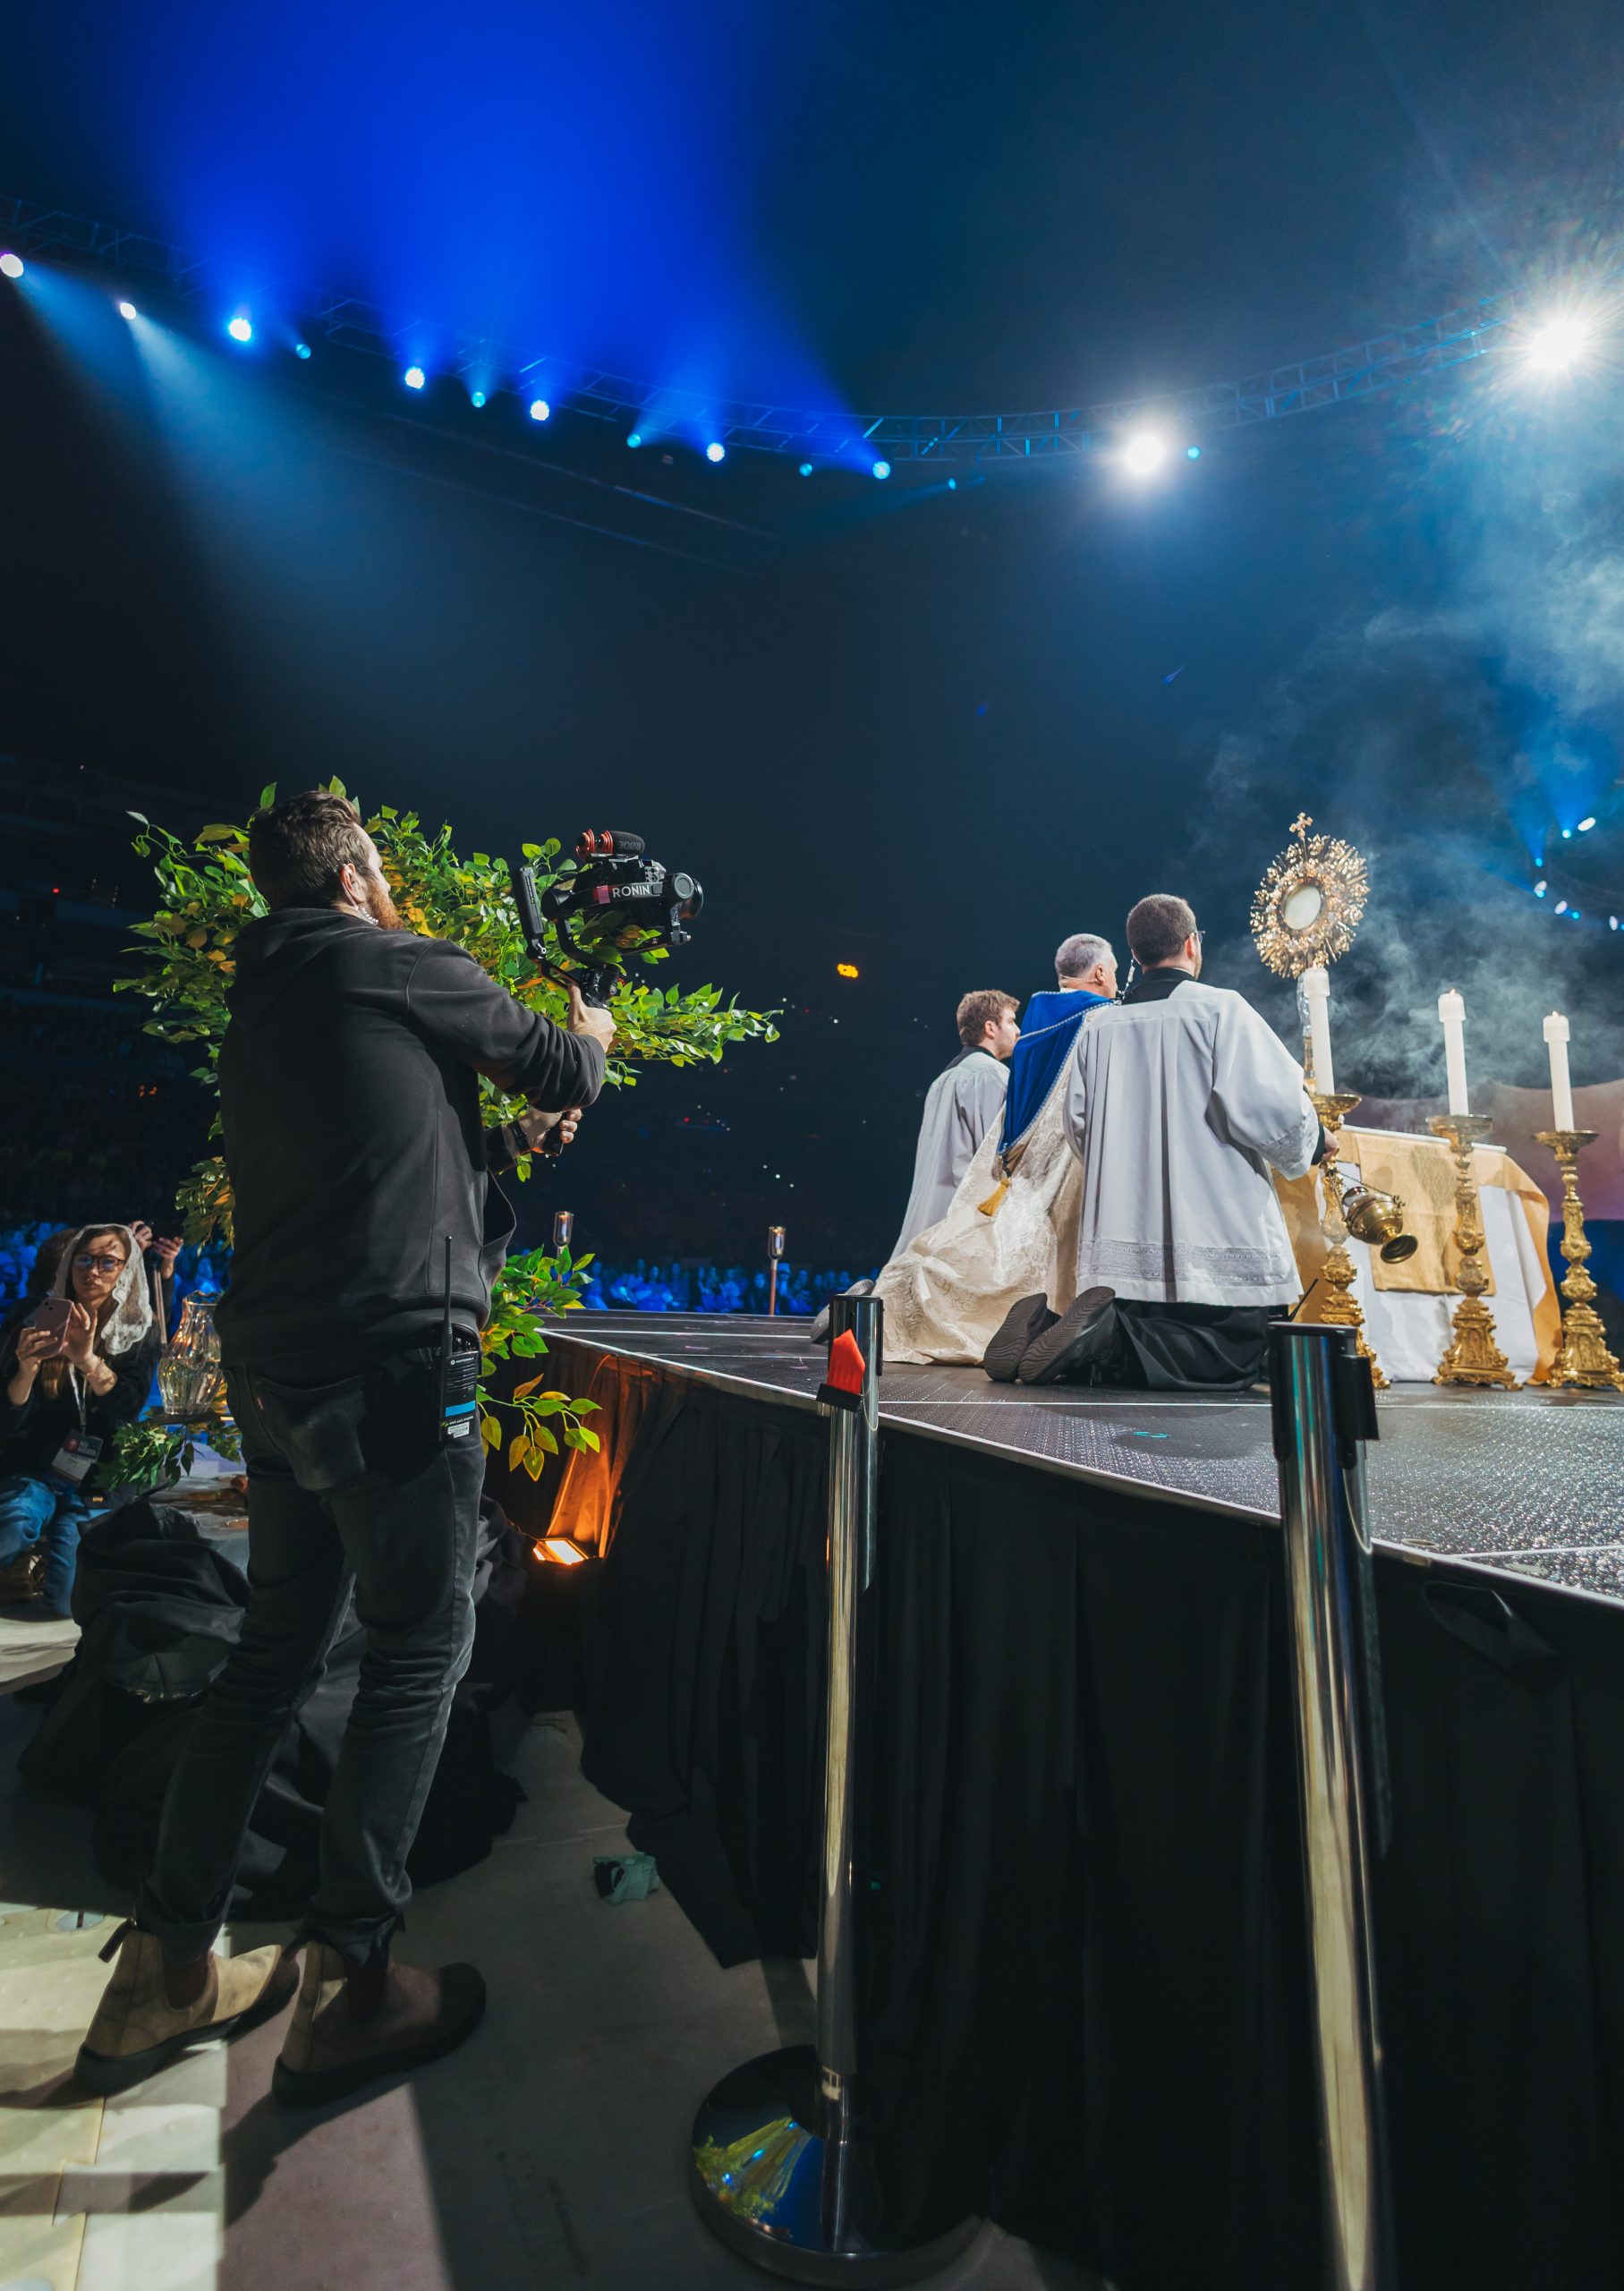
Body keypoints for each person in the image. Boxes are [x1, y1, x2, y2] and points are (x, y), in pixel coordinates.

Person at [77, 789, 614, 2104]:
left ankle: (162, 1967)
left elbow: (386, 1148)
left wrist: (497, 1147)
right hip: (390, 1365)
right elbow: (567, 1065)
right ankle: (351, 1979)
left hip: (280, 1363)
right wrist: (587, 1030)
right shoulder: (387, 958)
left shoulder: (270, 996)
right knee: (421, 1647)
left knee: (272, 1654)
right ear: (362, 872)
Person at [999, 893, 1322, 1390]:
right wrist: (1314, 1140)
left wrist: (1123, 1170)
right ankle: (1102, 1338)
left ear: (1135, 957)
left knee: (1141, 1329)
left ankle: (1049, 1328)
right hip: (1214, 1228)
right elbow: (1271, 1106)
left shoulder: (1100, 1027)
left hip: (1122, 1241)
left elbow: (1078, 1125)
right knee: (1236, 1350)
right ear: (1192, 943)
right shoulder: (1219, 1009)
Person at [861, 933, 1120, 1366]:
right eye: (1111, 971)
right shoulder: (1100, 1021)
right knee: (978, 1271)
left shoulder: (1035, 1028)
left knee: (934, 1258)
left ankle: (865, 1311)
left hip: (972, 1181)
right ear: (1098, 973)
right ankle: (1025, 1327)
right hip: (1046, 1170)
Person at [0, 1224, 160, 1611]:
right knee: (12, 1526)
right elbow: (9, 1422)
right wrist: (25, 1370)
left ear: (125, 1269)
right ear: (68, 1266)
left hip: (98, 1475)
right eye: (84, 1260)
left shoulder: (136, 1330)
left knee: (64, 1603)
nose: (93, 1271)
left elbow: (128, 1406)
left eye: (108, 1262)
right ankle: (24, 1551)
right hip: (39, 1467)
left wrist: (87, 1360)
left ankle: (54, 1544)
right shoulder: (36, 1318)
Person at [892, 990, 1021, 1257]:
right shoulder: (992, 1074)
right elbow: (996, 1155)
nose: (1018, 1030)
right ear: (990, 1028)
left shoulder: (943, 1079)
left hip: (930, 1210)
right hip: (965, 1219)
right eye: (1010, 1021)